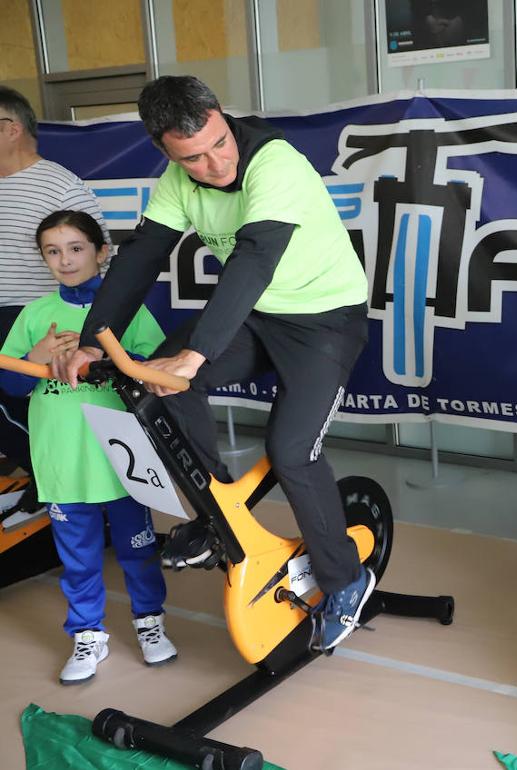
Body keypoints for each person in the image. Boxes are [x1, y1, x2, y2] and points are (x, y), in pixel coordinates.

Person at [54, 75, 372, 652]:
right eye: (193, 159)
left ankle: (347, 578)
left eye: (220, 143)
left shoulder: (274, 163)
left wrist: (195, 355)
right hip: (257, 316)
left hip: (325, 320)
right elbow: (142, 256)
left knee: (292, 451)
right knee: (158, 386)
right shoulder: (177, 181)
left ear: (223, 117)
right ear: (165, 151)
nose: (215, 164)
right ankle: (216, 510)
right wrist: (92, 339)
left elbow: (252, 261)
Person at [0, 210, 175, 684]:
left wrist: (110, 358)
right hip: (61, 462)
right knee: (76, 557)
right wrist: (33, 360)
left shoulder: (127, 309)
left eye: (76, 248)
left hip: (120, 458)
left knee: (137, 550)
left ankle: (149, 624)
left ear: (101, 253)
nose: (65, 260)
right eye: (53, 251)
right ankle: (87, 634)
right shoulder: (34, 315)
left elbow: (158, 373)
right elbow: (9, 385)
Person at [0, 86, 109, 513]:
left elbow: (99, 255)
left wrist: (87, 323)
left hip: (43, 318)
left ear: (11, 128)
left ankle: (58, 483)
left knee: (36, 407)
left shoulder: (60, 186)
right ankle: (45, 477)